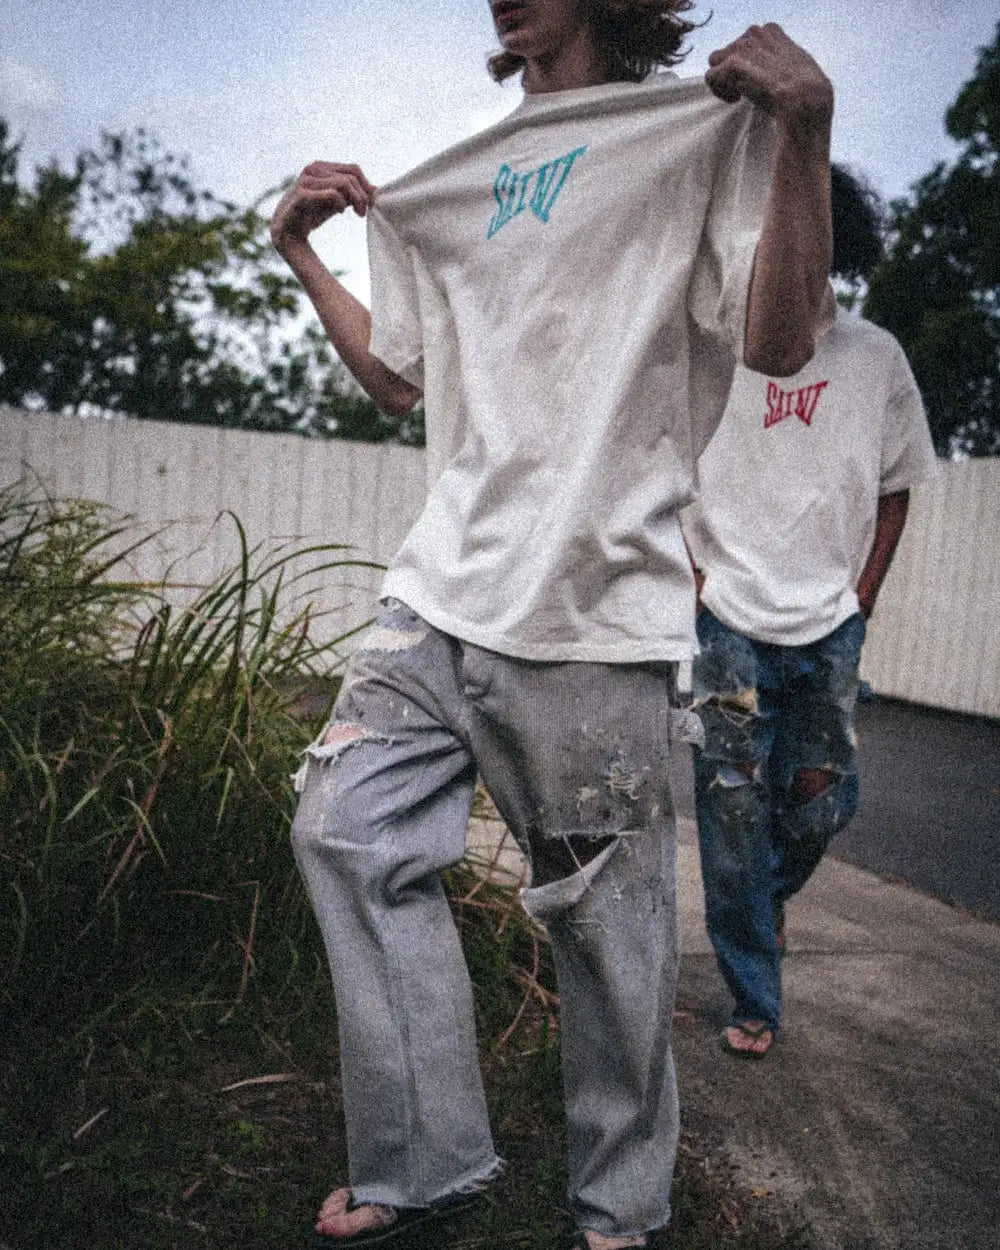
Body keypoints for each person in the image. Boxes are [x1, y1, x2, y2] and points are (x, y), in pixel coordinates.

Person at [271, 3, 833, 1246]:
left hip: (594, 602)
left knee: (609, 932)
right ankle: (426, 1157)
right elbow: (400, 375)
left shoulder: (703, 135)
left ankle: (619, 1203)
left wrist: (805, 130)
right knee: (344, 828)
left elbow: (783, 337)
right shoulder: (453, 182)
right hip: (438, 590)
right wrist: (308, 259)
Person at [681, 164, 938, 1060]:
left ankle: (762, 905)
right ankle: (755, 995)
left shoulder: (876, 359)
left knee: (824, 805)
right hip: (727, 624)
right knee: (730, 814)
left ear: (834, 242)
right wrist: (696, 579)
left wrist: (861, 599)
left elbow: (899, 486)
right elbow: (664, 463)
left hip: (829, 624)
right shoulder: (709, 347)